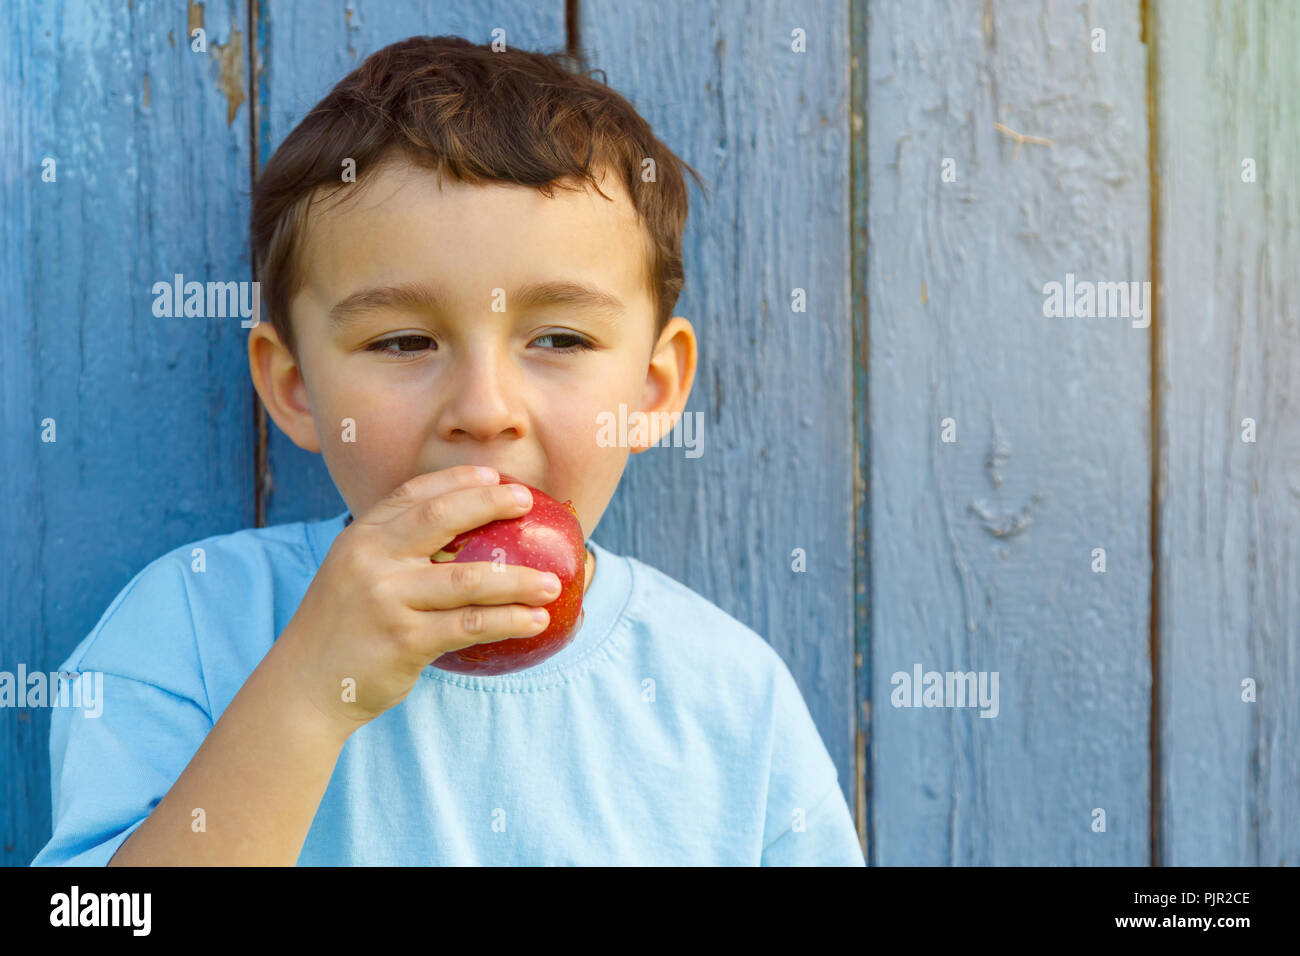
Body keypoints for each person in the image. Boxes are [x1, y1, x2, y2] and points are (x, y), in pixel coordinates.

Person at [32, 35, 864, 866]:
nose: (484, 409)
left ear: (652, 390)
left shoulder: (731, 697)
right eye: (402, 342)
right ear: (293, 388)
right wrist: (310, 693)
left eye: (562, 338)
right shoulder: (191, 629)